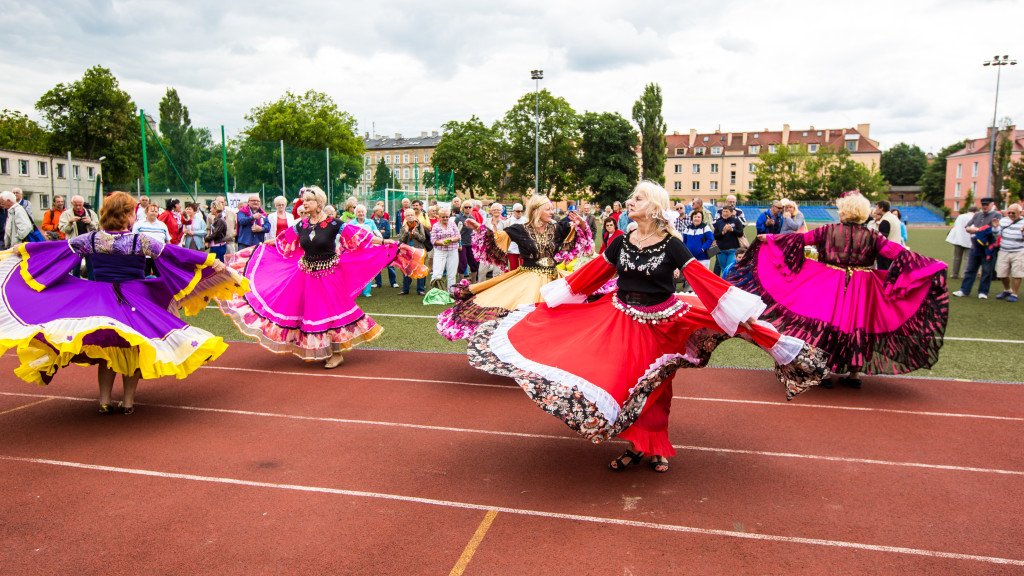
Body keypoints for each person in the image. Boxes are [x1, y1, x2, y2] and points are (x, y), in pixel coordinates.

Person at [466, 181, 827, 473]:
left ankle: (651, 446)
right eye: (630, 197)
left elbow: (701, 280)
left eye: (637, 198)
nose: (629, 201)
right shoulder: (621, 240)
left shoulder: (672, 245)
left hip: (663, 322)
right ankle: (638, 443)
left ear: (654, 207)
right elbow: (593, 275)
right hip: (621, 317)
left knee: (657, 387)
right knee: (618, 378)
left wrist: (735, 309)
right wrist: (556, 298)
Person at [0, 191, 246, 414]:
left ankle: (104, 401)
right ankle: (127, 402)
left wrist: (23, 250)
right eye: (131, 211)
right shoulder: (140, 241)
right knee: (132, 347)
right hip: (134, 299)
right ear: (127, 214)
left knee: (108, 352)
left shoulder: (91, 239)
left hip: (99, 300)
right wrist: (209, 262)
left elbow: (56, 251)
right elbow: (175, 255)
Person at [727, 191, 948, 388]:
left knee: (825, 325)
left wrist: (771, 239)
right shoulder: (872, 236)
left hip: (829, 282)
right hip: (863, 286)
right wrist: (932, 265)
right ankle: (854, 373)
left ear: (843, 210)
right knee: (857, 325)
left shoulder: (828, 230)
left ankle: (824, 371)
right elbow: (898, 253)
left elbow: (800, 239)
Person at [220, 186, 426, 369]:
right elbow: (283, 240)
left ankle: (336, 353)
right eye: (304, 201)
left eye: (308, 200)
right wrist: (262, 246)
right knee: (310, 312)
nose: (305, 203)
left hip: (329, 275)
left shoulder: (334, 224)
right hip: (306, 274)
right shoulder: (301, 225)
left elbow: (360, 236)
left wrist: (384, 241)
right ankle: (320, 348)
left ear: (318, 203)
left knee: (331, 312)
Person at [436, 194, 593, 341]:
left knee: (565, 312)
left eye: (552, 208)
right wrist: (480, 229)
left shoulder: (558, 227)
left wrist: (583, 225)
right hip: (530, 280)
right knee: (526, 317)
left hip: (554, 278)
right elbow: (497, 240)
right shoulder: (520, 229)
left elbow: (582, 238)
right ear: (537, 210)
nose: (552, 211)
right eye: (548, 208)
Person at [954, 198, 1002, 299]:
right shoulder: (977, 214)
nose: (984, 206)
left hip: (989, 247)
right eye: (983, 204)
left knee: (986, 271)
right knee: (970, 269)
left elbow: (995, 230)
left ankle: (983, 292)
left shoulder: (997, 215)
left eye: (987, 204)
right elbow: (967, 227)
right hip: (976, 246)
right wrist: (970, 229)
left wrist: (976, 230)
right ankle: (964, 290)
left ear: (992, 204)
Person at [350, 204, 383, 297]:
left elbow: (376, 232)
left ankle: (366, 291)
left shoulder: (370, 222)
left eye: (362, 212)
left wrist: (381, 240)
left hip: (368, 249)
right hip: (355, 251)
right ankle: (356, 290)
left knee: (368, 270)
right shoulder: (351, 223)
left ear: (365, 213)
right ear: (356, 213)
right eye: (359, 212)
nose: (361, 213)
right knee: (356, 271)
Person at [994, 204, 1024, 302]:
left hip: (1019, 251)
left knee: (1017, 274)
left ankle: (1014, 294)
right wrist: (995, 228)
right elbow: (997, 234)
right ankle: (1007, 290)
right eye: (1009, 212)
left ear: (1020, 213)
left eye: (1013, 213)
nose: (1010, 214)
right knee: (1001, 273)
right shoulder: (1003, 221)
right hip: (1004, 250)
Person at [131, 203, 171, 276]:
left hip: (159, 257)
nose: (154, 213)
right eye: (152, 211)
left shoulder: (162, 225)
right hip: (143, 257)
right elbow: (133, 239)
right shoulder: (138, 224)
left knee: (160, 277)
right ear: (146, 212)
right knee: (143, 278)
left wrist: (168, 255)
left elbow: (168, 241)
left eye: (156, 211)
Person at [397, 208, 430, 295]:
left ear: (414, 216)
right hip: (408, 251)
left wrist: (415, 233)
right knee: (407, 269)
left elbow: (423, 238)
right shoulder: (404, 227)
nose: (410, 216)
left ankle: (420, 289)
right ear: (405, 217)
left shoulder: (419, 225)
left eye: (412, 215)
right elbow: (400, 240)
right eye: (408, 215)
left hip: (418, 250)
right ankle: (405, 289)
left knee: (419, 269)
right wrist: (406, 232)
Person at [429, 205, 462, 291]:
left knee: (452, 274)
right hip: (440, 251)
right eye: (443, 217)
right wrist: (442, 243)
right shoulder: (435, 226)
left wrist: (450, 240)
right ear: (439, 217)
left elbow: (458, 236)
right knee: (437, 273)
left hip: (453, 250)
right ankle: (435, 292)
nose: (445, 218)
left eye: (447, 217)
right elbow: (433, 240)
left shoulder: (453, 224)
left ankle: (451, 292)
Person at [945, 206, 977, 279]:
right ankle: (964, 275)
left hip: (958, 239)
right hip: (969, 240)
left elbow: (955, 226)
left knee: (957, 258)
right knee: (967, 258)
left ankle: (954, 274)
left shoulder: (960, 216)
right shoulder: (975, 217)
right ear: (975, 211)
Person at [713, 204, 744, 277]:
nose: (724, 213)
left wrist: (732, 230)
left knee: (729, 268)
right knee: (724, 269)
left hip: (733, 250)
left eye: (726, 211)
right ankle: (725, 285)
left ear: (731, 212)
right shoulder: (719, 222)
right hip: (721, 250)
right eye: (723, 211)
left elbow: (740, 234)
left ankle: (730, 284)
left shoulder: (736, 221)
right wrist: (723, 232)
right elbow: (715, 236)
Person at [372, 204, 398, 288]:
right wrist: (380, 231)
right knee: (376, 264)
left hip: (386, 246)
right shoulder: (370, 222)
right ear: (376, 212)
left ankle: (393, 282)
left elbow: (387, 233)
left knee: (390, 263)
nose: (383, 212)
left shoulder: (386, 221)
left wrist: (377, 234)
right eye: (381, 211)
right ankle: (378, 282)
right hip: (375, 246)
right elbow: (371, 235)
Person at [455, 204, 479, 282]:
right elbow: (455, 232)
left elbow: (475, 231)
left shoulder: (472, 218)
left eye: (469, 207)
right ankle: (461, 283)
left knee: (474, 263)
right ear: (463, 208)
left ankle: (474, 282)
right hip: (462, 244)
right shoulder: (458, 218)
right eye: (466, 207)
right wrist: (459, 243)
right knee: (463, 263)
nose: (468, 208)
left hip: (471, 244)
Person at [505, 202, 528, 270]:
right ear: (513, 211)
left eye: (521, 211)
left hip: (523, 248)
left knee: (524, 268)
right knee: (513, 268)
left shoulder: (526, 220)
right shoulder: (508, 221)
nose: (520, 213)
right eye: (518, 211)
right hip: (512, 248)